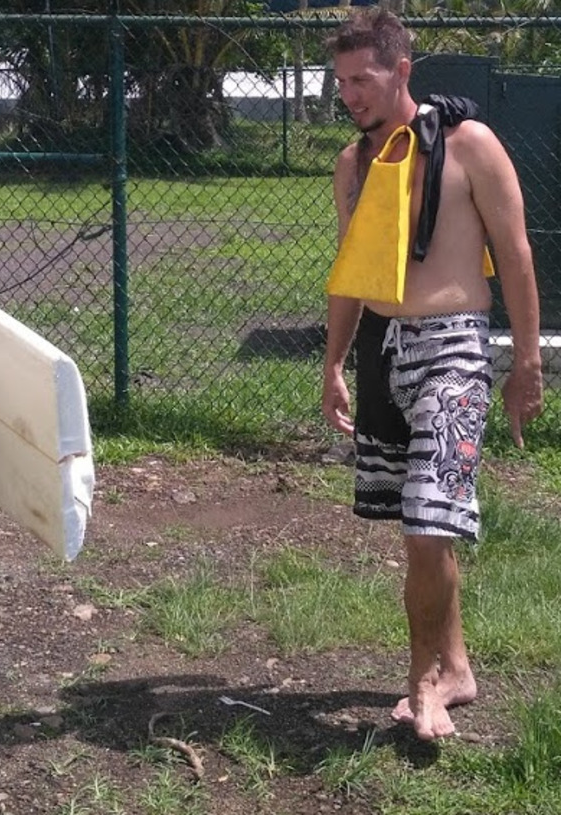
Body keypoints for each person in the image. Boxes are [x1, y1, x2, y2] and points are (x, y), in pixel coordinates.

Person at [322, 9, 542, 741]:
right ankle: (458, 666)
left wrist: (528, 362)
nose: (351, 94)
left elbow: (515, 254)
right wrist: (333, 362)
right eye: (342, 81)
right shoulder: (353, 166)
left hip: (455, 347)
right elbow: (350, 275)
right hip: (385, 350)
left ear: (403, 69)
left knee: (425, 519)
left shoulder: (471, 145)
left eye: (364, 78)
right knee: (424, 525)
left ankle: (425, 684)